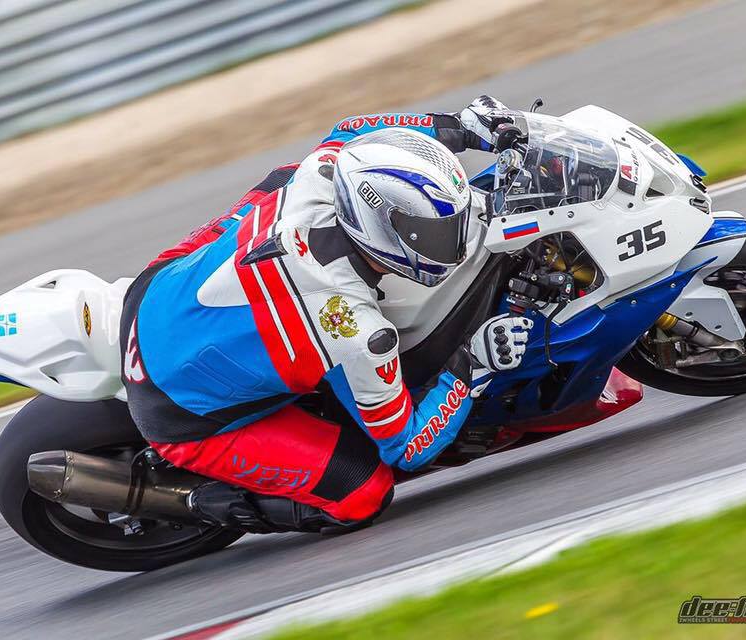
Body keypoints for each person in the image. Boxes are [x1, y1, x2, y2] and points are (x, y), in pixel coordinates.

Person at [119, 97, 534, 534]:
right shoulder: (357, 332)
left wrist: (462, 128)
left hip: (152, 289)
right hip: (177, 410)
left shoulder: (323, 172)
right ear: (382, 230)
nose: (453, 241)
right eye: (433, 234)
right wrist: (471, 368)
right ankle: (195, 501)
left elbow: (351, 128)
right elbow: (407, 449)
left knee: (284, 177)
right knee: (363, 494)